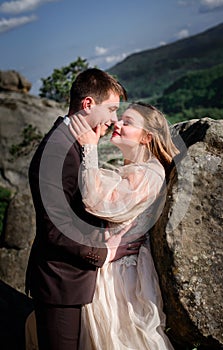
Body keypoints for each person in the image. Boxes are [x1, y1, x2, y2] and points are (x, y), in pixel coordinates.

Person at [25, 68, 145, 350]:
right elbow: (57, 230)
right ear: (88, 104)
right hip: (61, 285)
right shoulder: (57, 152)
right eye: (112, 109)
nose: (115, 119)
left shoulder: (72, 143)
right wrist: (107, 252)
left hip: (74, 281)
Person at [69, 102, 179, 349]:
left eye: (127, 122)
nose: (117, 123)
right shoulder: (136, 170)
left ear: (146, 137)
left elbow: (95, 201)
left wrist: (89, 147)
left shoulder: (149, 174)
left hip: (122, 279)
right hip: (112, 268)